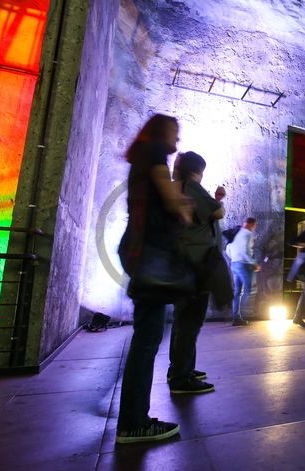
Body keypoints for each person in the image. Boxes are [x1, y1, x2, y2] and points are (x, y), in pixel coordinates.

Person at [116, 114, 190, 444]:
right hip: (149, 255)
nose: (177, 140)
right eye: (175, 132)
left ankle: (134, 419)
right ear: (163, 132)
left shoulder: (142, 156)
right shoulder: (156, 152)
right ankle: (134, 423)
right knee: (147, 341)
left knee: (146, 338)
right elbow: (173, 202)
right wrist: (184, 205)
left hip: (138, 250)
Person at [167, 151, 227, 395]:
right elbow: (217, 212)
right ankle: (182, 377)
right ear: (197, 171)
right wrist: (219, 200)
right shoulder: (191, 186)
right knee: (190, 322)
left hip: (183, 264)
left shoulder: (178, 187)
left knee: (183, 322)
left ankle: (180, 369)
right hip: (196, 265)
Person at [227, 217, 260, 326]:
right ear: (252, 224)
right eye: (255, 226)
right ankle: (246, 313)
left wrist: (234, 258)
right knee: (250, 290)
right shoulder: (248, 234)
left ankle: (236, 318)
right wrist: (253, 263)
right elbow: (245, 251)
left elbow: (228, 249)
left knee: (237, 292)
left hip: (235, 264)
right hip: (244, 265)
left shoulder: (236, 233)